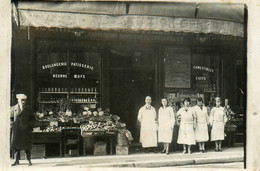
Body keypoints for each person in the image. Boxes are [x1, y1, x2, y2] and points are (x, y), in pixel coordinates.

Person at [10, 94, 35, 166]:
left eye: (24, 100)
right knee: (16, 146)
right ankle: (16, 160)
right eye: (22, 100)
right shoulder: (13, 108)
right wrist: (13, 125)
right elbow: (10, 118)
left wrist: (30, 125)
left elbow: (33, 118)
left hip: (26, 130)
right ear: (18, 100)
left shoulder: (28, 109)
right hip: (17, 130)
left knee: (27, 146)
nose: (23, 102)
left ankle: (28, 160)